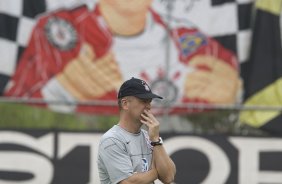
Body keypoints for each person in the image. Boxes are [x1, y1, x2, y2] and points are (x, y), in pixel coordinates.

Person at [5, 0, 241, 114]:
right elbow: (12, 112)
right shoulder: (56, 30)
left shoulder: (192, 42)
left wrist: (232, 94)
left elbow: (242, 103)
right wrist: (60, 89)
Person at [97, 77, 176, 184]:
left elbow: (168, 177)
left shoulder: (150, 137)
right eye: (143, 101)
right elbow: (129, 183)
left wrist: (156, 140)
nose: (149, 106)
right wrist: (157, 172)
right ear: (125, 104)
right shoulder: (112, 140)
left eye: (150, 101)